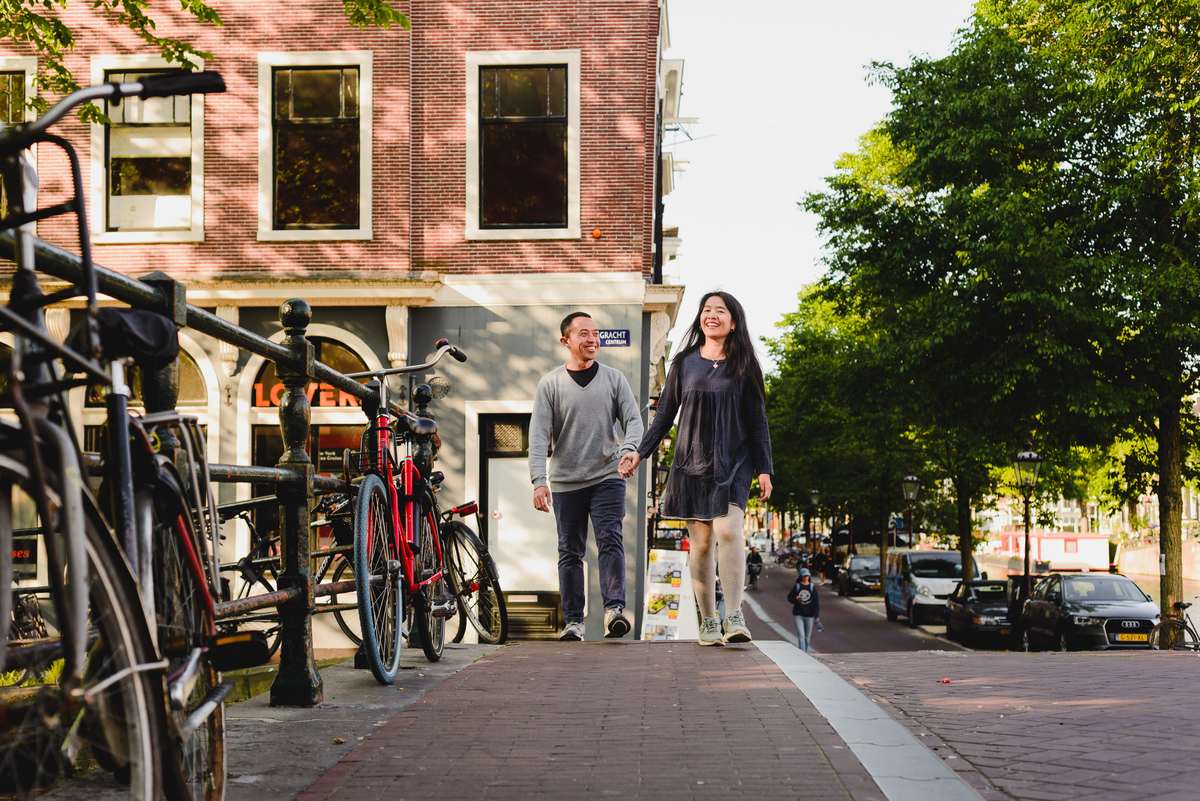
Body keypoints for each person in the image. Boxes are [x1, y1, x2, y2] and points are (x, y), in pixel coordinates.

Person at [621, 291, 773, 646]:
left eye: (720, 311)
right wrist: (639, 453)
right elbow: (663, 417)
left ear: (733, 322)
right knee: (702, 543)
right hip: (691, 462)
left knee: (729, 531)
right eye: (707, 310)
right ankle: (708, 622)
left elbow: (758, 422)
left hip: (734, 461)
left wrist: (765, 468)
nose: (712, 315)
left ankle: (733, 615)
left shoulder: (745, 364)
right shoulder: (684, 363)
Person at [530, 312, 644, 642]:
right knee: (570, 551)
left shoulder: (614, 379)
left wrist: (629, 449)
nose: (593, 339)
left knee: (610, 537)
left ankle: (613, 611)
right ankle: (575, 621)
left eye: (596, 333)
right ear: (566, 341)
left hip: (607, 474)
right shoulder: (550, 384)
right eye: (584, 333)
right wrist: (539, 480)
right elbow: (538, 435)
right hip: (566, 481)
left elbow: (633, 421)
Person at [787, 568, 820, 653]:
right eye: (804, 576)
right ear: (801, 576)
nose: (806, 578)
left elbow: (816, 602)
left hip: (809, 615)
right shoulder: (797, 586)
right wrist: (796, 598)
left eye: (807, 576)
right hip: (799, 614)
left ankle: (805, 652)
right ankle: (803, 654)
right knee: (801, 635)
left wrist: (817, 616)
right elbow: (790, 598)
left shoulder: (812, 587)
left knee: (807, 637)